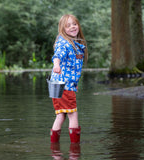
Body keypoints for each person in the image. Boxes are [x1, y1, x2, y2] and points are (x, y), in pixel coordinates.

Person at [50, 14, 88, 144]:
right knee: (73, 114)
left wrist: (74, 83)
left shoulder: (75, 44)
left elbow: (73, 68)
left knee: (61, 115)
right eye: (68, 25)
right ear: (63, 29)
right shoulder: (64, 43)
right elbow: (57, 55)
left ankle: (54, 149)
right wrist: (56, 64)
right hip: (63, 84)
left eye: (74, 24)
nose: (72, 27)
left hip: (57, 84)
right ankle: (75, 149)